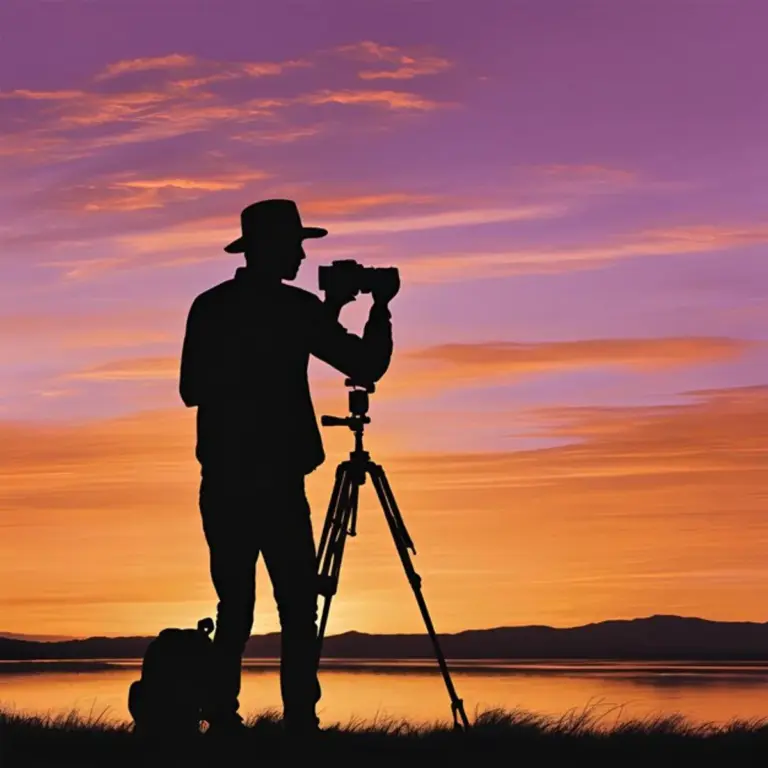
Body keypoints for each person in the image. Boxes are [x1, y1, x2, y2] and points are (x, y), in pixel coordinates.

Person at [178, 199, 397, 737]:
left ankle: (222, 718)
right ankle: (301, 721)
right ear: (271, 247)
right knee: (298, 609)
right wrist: (379, 308)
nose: (303, 253)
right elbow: (365, 365)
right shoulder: (295, 310)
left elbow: (190, 390)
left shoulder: (210, 306)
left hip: (225, 482)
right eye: (296, 244)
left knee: (236, 609)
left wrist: (324, 313)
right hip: (277, 484)